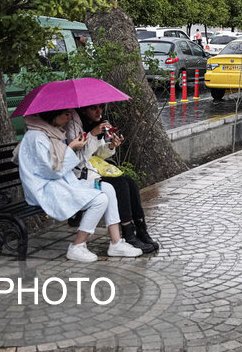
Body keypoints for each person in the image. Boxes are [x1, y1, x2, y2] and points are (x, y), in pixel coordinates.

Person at [16, 108, 142, 262]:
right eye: (66, 114)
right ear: (53, 115)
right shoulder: (36, 137)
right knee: (99, 199)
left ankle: (115, 243)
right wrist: (71, 148)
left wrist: (79, 146)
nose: (71, 117)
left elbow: (60, 166)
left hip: (62, 182)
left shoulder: (53, 132)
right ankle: (77, 246)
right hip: (45, 188)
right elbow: (50, 172)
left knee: (108, 188)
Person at [67, 104, 159, 254]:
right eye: (93, 108)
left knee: (131, 183)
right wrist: (92, 134)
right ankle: (128, 234)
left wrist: (111, 146)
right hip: (82, 176)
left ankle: (141, 229)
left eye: (100, 108)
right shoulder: (75, 125)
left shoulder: (96, 124)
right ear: (83, 110)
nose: (99, 112)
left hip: (94, 170)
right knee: (120, 185)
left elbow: (98, 153)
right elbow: (78, 158)